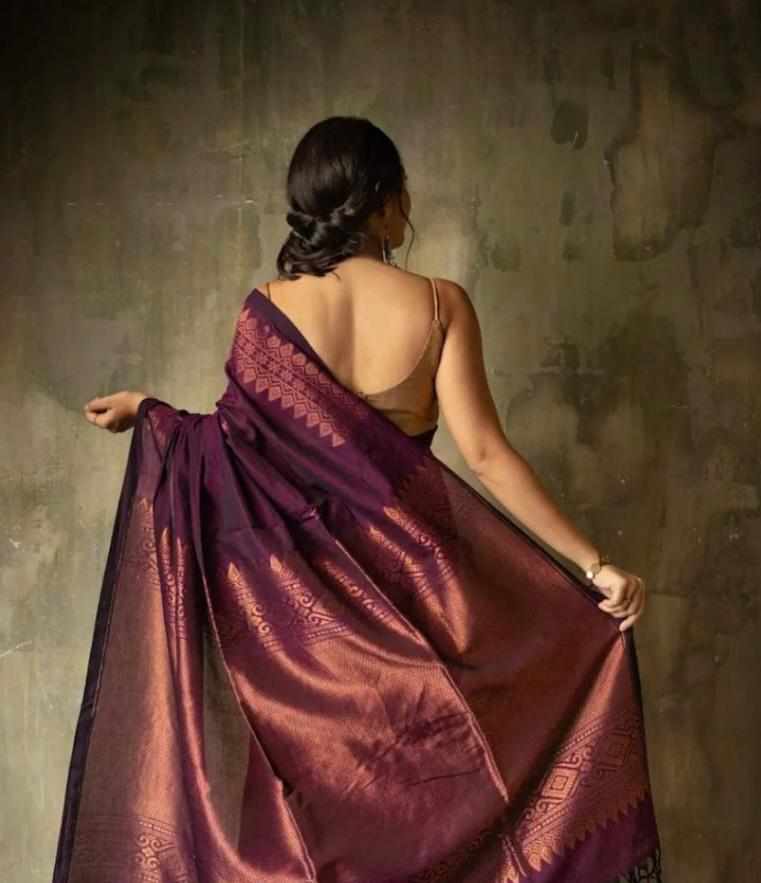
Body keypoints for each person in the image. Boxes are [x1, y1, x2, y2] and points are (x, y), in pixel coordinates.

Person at [57, 116, 662, 882]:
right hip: (420, 620)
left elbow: (229, 452)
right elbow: (485, 454)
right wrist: (593, 564)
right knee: (442, 817)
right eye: (400, 191)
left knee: (314, 842)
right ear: (379, 201)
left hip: (300, 650)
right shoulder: (439, 305)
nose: (408, 205)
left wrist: (152, 415)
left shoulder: (270, 306)